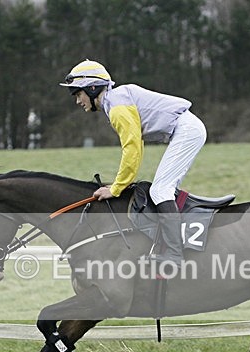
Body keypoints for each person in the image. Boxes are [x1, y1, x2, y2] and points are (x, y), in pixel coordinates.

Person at [59, 59, 207, 266]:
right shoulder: (116, 101)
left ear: (92, 88)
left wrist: (117, 188)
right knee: (162, 188)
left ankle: (174, 254)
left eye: (78, 93)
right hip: (185, 129)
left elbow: (132, 149)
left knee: (160, 190)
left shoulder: (118, 108)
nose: (77, 100)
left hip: (187, 131)